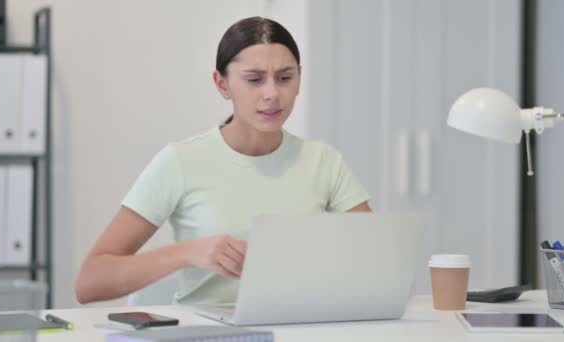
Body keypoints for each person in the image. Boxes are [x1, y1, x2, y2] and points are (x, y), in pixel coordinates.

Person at [75, 16, 371, 305]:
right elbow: (90, 281)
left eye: (284, 78)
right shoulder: (181, 161)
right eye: (254, 80)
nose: (272, 94)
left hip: (302, 327)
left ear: (299, 80)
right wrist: (187, 253)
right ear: (222, 84)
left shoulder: (324, 161)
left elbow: (375, 260)